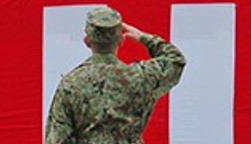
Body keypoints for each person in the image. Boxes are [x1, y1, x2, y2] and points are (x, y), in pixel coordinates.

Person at [44, 7, 185, 144]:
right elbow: (175, 60)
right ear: (121, 41)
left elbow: (57, 139)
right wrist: (144, 38)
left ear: (87, 41)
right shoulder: (140, 78)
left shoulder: (71, 84)